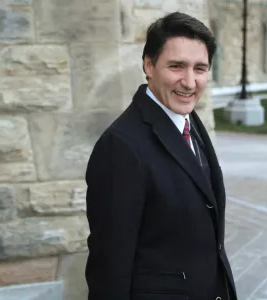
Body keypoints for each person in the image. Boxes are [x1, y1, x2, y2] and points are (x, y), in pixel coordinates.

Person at [85, 12, 237, 300]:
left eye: (200, 68)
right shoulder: (120, 147)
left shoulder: (189, 122)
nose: (190, 82)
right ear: (149, 65)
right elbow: (109, 267)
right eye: (177, 66)